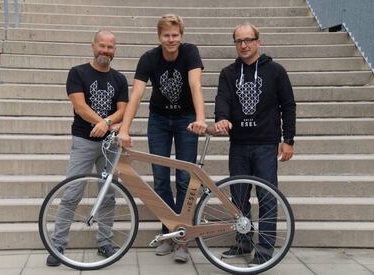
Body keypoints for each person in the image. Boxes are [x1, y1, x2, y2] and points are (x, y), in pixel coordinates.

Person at [118, 14, 207, 263]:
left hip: (186, 120)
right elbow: (136, 94)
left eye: (175, 35)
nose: (171, 40)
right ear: (159, 37)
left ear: (181, 35)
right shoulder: (149, 58)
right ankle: (169, 232)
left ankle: (183, 239)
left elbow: (195, 85)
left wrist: (200, 117)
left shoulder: (190, 52)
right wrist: (124, 129)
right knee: (159, 181)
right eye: (166, 35)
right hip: (158, 121)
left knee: (184, 180)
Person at [214, 22, 296, 265]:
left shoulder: (276, 71)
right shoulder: (228, 73)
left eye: (248, 40)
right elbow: (223, 99)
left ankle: (265, 251)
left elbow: (288, 106)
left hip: (265, 144)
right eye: (239, 41)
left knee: (267, 197)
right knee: (239, 197)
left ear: (258, 41)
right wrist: (221, 118)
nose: (244, 45)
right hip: (238, 144)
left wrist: (288, 140)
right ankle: (243, 242)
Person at [46, 30, 129, 266]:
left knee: (108, 194)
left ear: (115, 49)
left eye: (110, 47)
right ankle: (58, 244)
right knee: (72, 192)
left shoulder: (119, 79)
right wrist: (103, 122)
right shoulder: (78, 73)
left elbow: (123, 109)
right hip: (83, 141)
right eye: (101, 46)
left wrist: (107, 123)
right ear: (93, 46)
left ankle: (105, 242)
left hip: (109, 143)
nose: (105, 51)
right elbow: (80, 107)